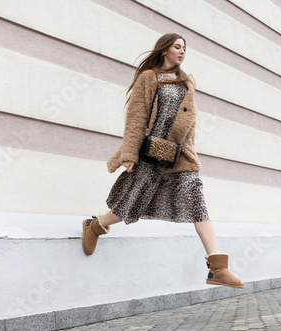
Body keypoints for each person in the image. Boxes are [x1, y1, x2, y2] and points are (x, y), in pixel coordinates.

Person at [81, 33, 242, 288]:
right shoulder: (149, 78)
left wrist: (186, 150)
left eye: (184, 48)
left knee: (197, 203)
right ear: (164, 49)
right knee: (131, 203)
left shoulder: (186, 82)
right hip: (150, 153)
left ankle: (218, 267)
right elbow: (136, 119)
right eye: (177, 47)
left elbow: (190, 121)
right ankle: (95, 225)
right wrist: (130, 154)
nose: (182, 52)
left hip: (179, 155)